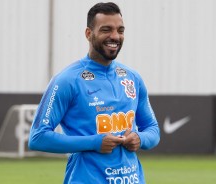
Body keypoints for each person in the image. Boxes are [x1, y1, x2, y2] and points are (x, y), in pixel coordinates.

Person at [28, 2, 160, 184]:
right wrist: (94, 142)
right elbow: (37, 137)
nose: (115, 36)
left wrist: (140, 138)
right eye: (106, 30)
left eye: (120, 30)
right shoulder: (67, 80)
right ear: (89, 34)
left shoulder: (132, 78)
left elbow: (153, 130)